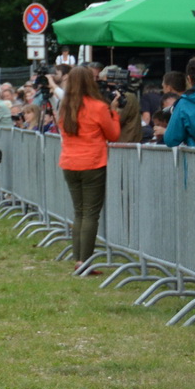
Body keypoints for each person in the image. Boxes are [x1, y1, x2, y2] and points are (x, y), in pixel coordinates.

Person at [57, 65, 120, 270]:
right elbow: (113, 135)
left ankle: (78, 258)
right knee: (91, 213)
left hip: (69, 162)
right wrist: (114, 113)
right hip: (92, 163)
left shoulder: (65, 107)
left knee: (79, 212)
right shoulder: (98, 106)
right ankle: (84, 261)